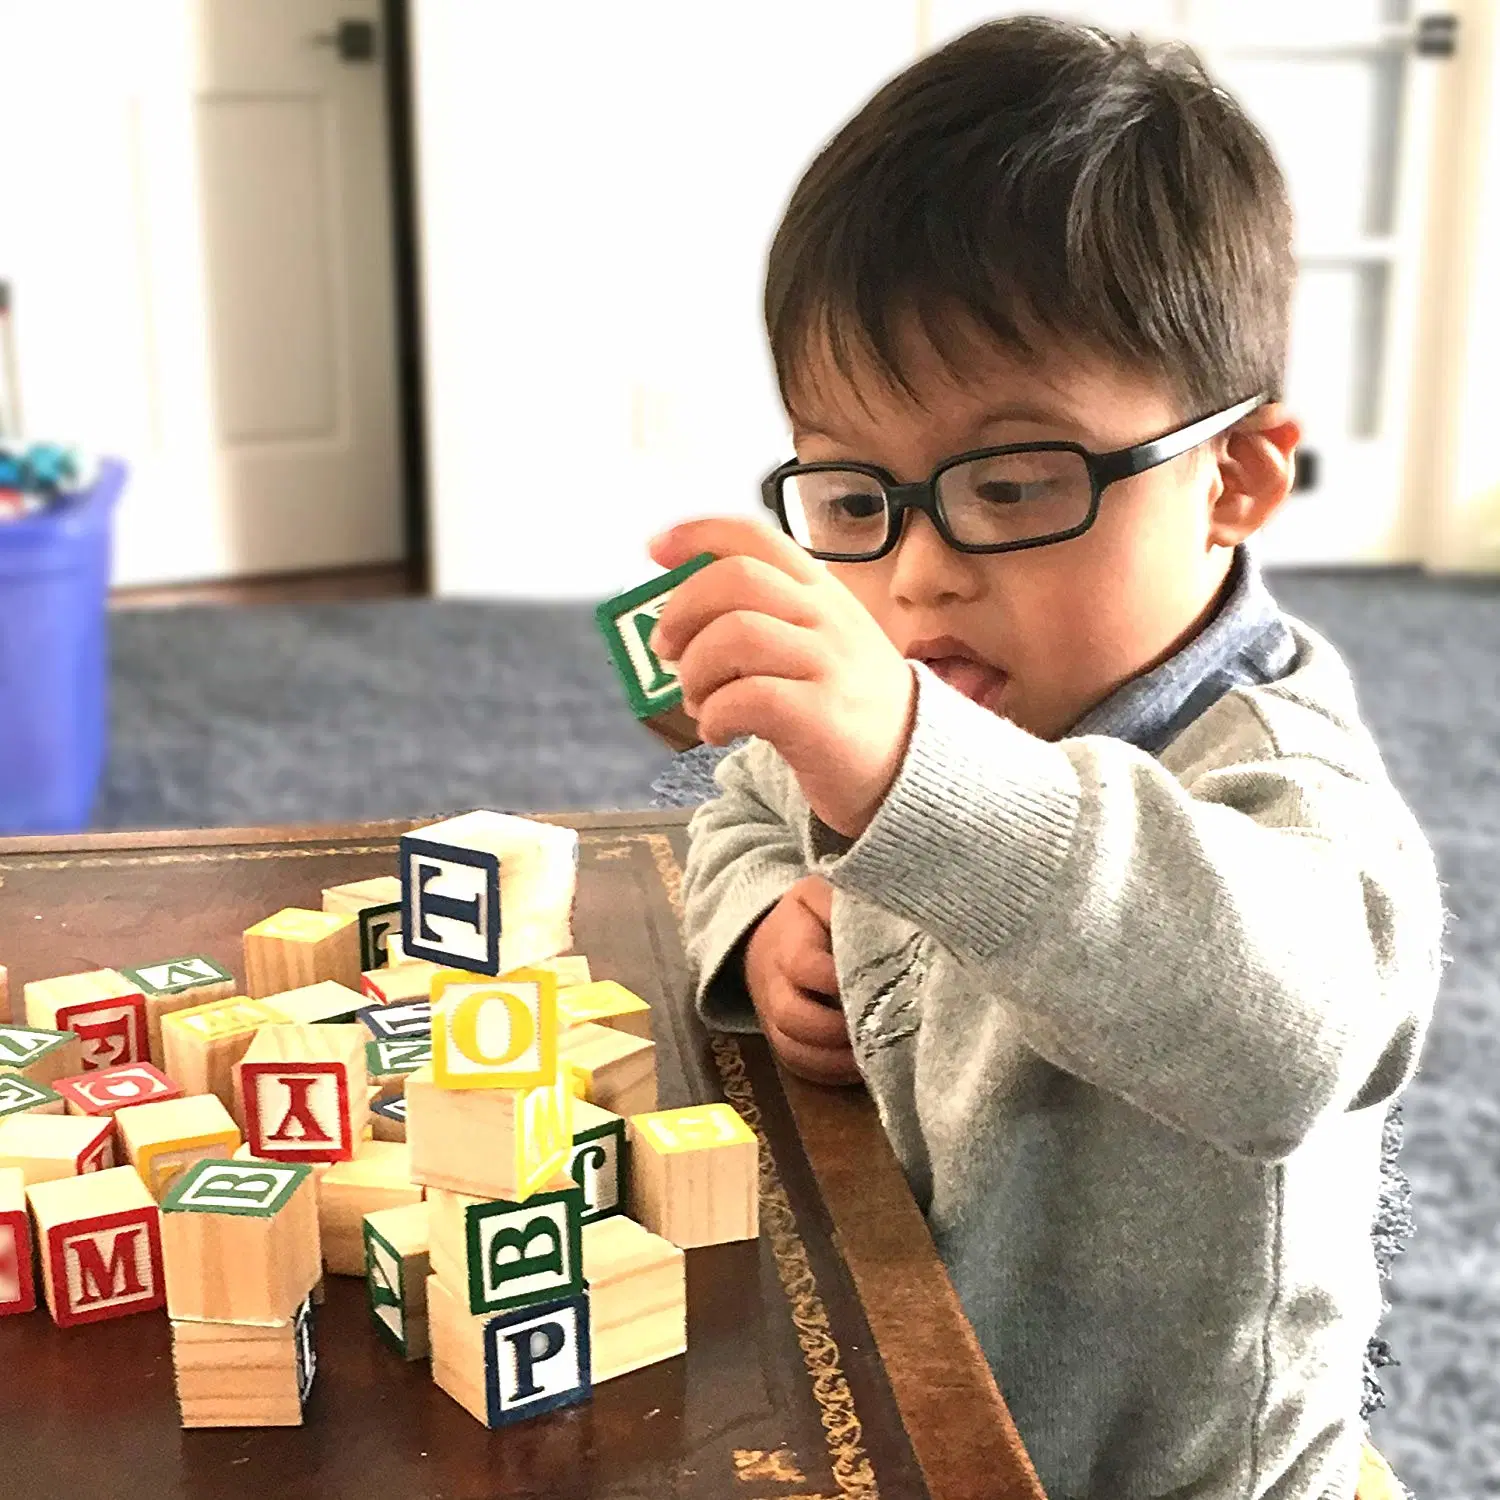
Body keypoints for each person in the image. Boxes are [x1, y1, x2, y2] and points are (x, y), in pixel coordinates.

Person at [642, 16, 1446, 1500]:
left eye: (1013, 484)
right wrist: (761, 924)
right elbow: (748, 800)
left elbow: (1298, 1036)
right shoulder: (912, 674)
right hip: (914, 1373)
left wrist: (910, 774)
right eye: (853, 494)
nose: (920, 575)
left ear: (1235, 476)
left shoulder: (1273, 772)